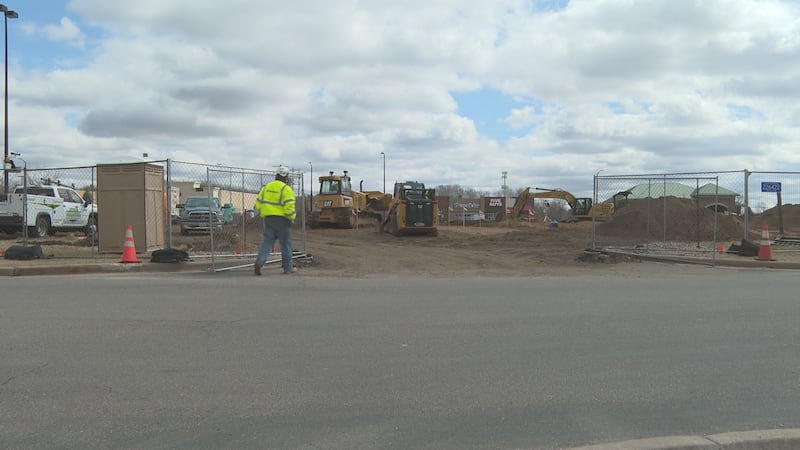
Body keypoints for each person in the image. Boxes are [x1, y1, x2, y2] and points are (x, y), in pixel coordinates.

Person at [254, 166, 297, 276]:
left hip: (268, 219)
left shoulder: (266, 187)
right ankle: (288, 268)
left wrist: (263, 213)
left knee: (267, 242)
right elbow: (289, 207)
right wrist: (291, 218)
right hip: (283, 220)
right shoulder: (286, 189)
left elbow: (258, 204)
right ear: (286, 177)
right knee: (286, 244)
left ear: (276, 175)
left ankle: (260, 261)